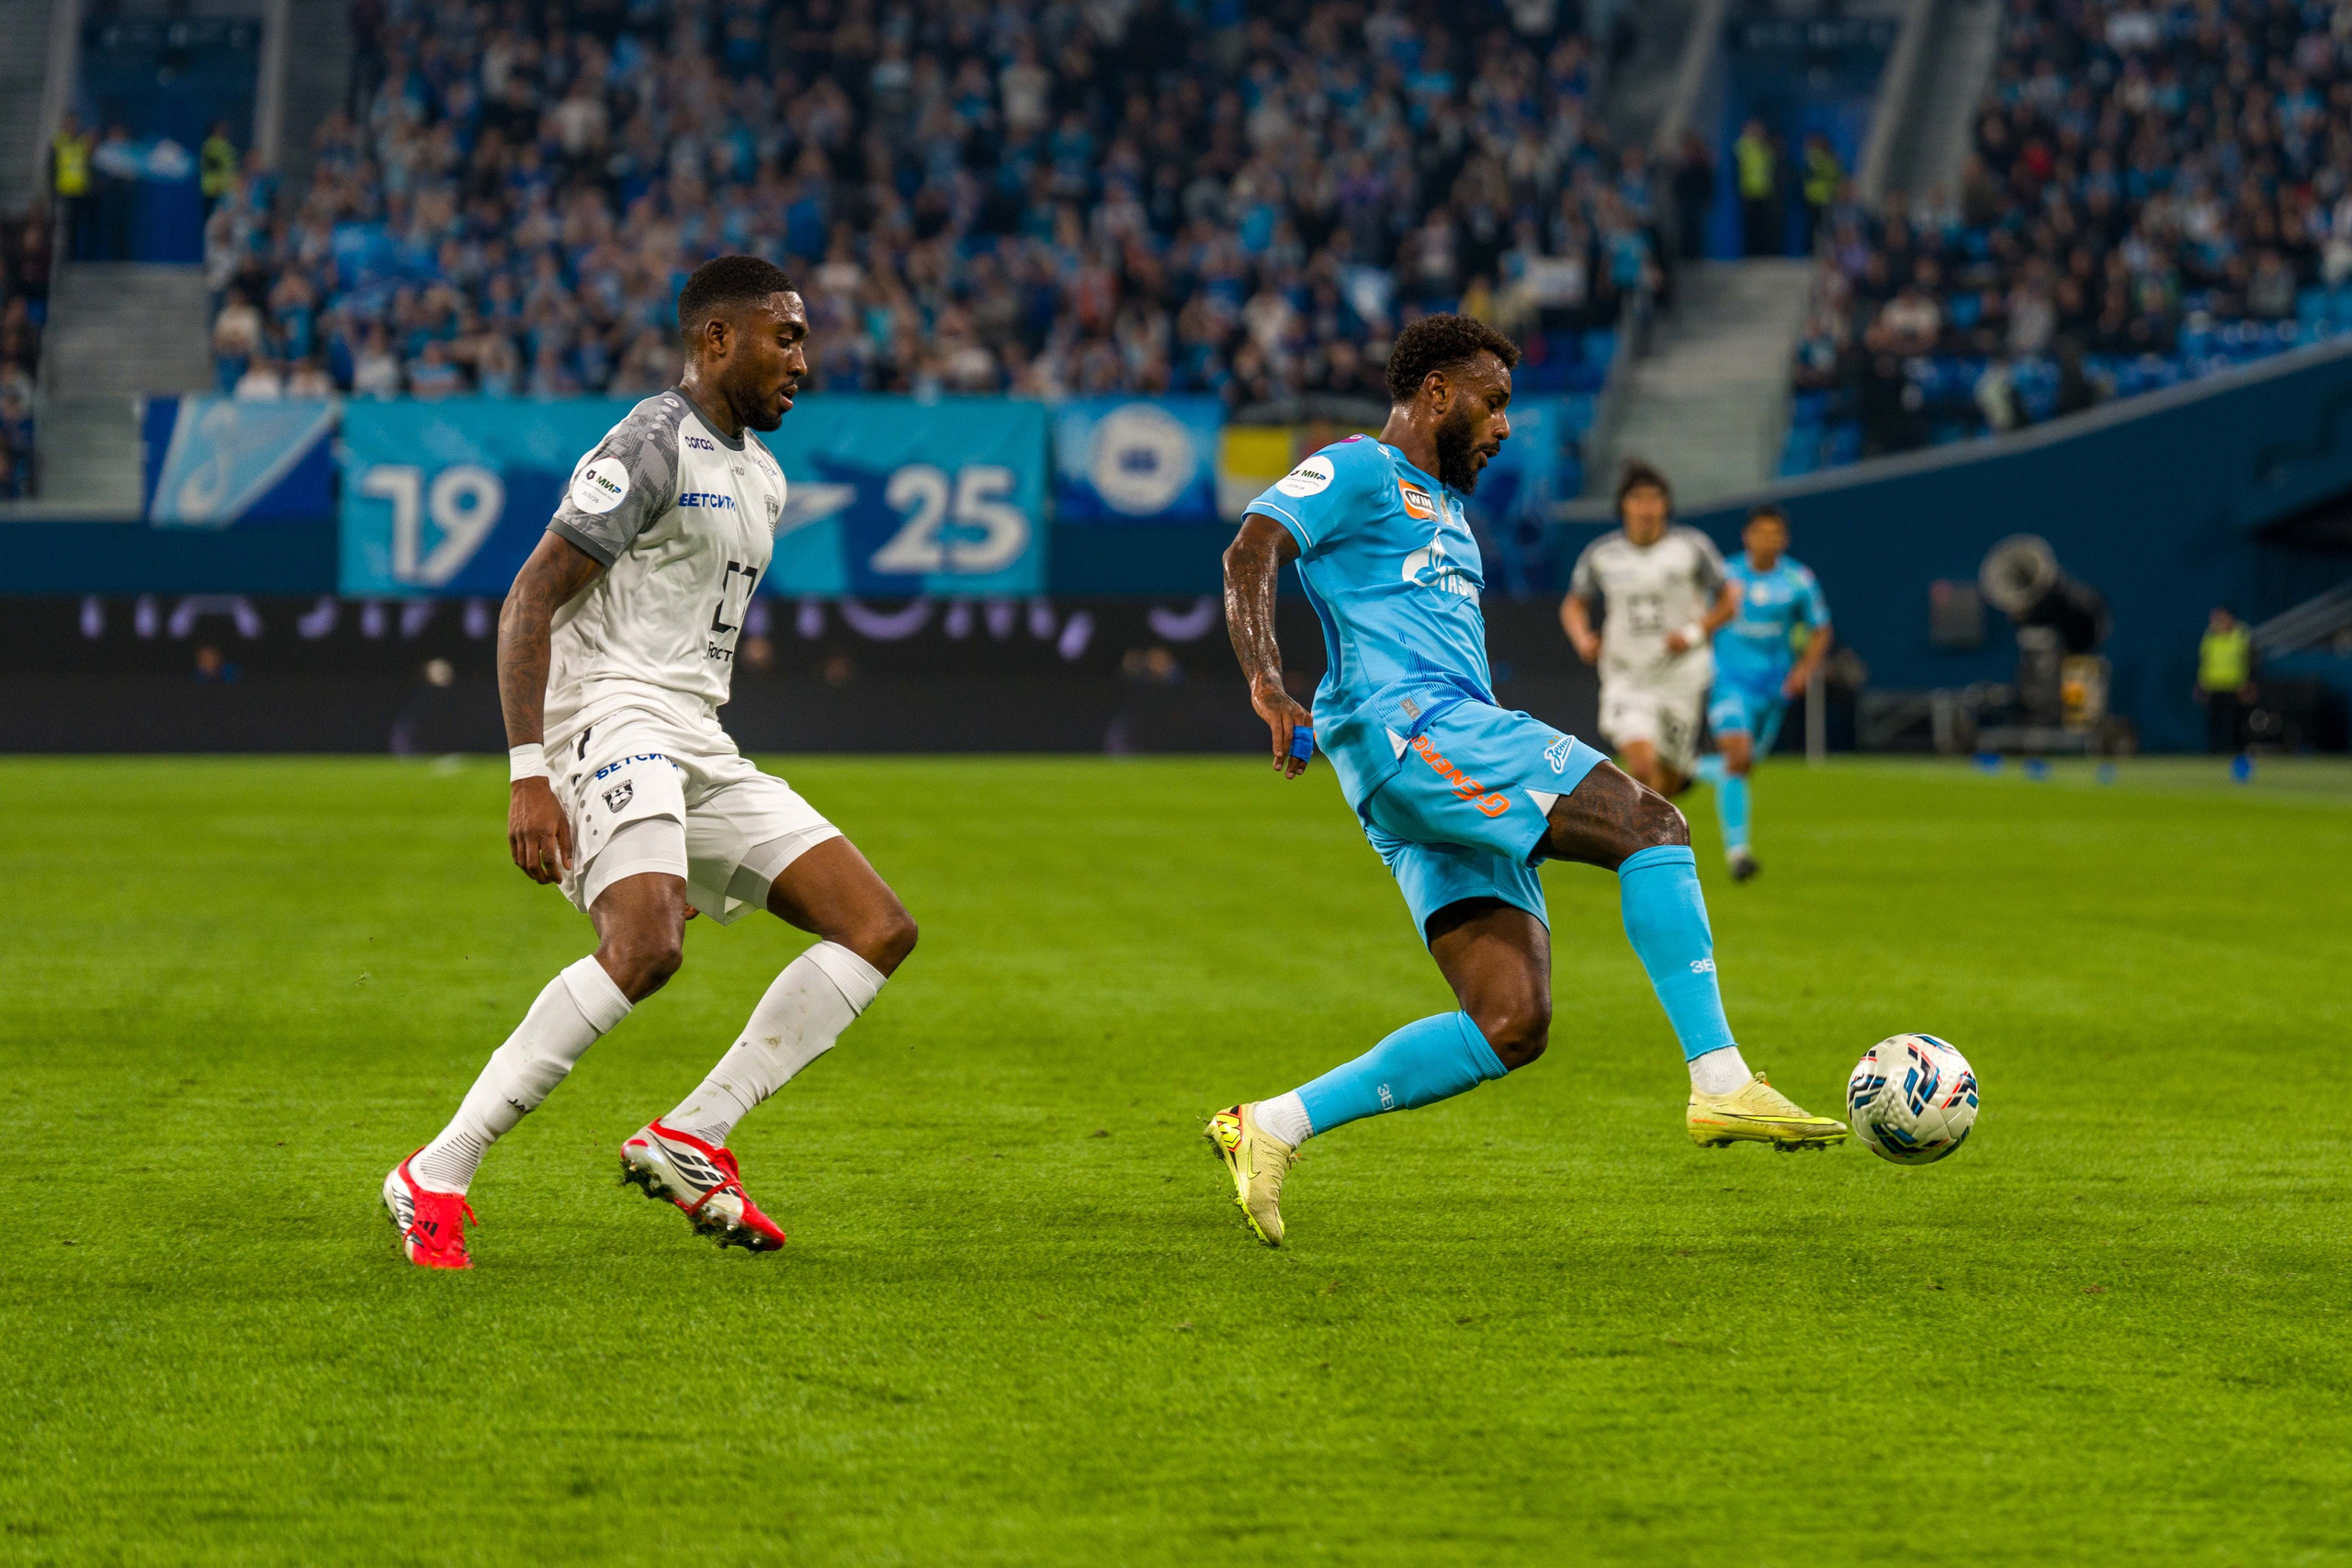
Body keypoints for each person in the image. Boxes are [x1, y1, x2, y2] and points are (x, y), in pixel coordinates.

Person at [1205, 315, 1846, 1247]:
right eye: (1492, 403)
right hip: (1412, 729)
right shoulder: (1356, 468)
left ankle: (1271, 1124)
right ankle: (1720, 1082)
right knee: (1652, 822)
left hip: (1432, 751)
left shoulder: (1447, 509)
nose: (1503, 427)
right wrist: (1268, 681)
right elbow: (1250, 550)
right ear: (1434, 393)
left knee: (1510, 1020)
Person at [381, 255, 919, 1270]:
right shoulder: (649, 443)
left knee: (876, 927)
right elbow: (529, 598)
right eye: (784, 337)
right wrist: (527, 769)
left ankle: (693, 1136)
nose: (802, 359)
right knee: (646, 942)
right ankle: (436, 1172)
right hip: (606, 719)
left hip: (696, 734)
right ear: (716, 340)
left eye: (803, 338)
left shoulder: (762, 470)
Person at [1561, 461, 1738, 797]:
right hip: (1627, 675)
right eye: (1638, 498)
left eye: (1655, 499)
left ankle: (1653, 839)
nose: (1647, 507)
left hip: (1680, 677)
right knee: (1642, 765)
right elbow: (1574, 604)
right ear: (1623, 505)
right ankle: (1638, 846)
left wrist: (1692, 634)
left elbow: (1729, 602)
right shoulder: (1602, 554)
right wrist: (1583, 638)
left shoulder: (1692, 547)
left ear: (1666, 505)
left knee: (1670, 780)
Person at [1691, 504, 1832, 881]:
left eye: (1775, 534)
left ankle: (1679, 768)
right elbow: (1700, 620)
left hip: (1774, 687)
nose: (1767, 540)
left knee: (1743, 765)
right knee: (1738, 757)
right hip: (1729, 683)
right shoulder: (1726, 575)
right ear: (1747, 536)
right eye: (1760, 532)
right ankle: (1738, 853)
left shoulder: (1798, 579)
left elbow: (1821, 629)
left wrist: (1804, 670)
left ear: (1784, 539)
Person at [2195, 607, 2256, 755]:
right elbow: (2205, 662)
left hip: (2235, 688)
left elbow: (2249, 661)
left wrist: (2248, 683)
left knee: (2235, 725)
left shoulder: (2241, 636)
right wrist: (2201, 685)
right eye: (2214, 619)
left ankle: (2236, 756)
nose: (2217, 622)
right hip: (2213, 687)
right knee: (2214, 725)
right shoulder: (2209, 637)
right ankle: (2214, 756)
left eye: (2221, 618)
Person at [1736, 118, 1779, 258]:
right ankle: (1751, 254)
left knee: (1764, 225)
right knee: (1750, 225)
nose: (1760, 133)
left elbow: (1770, 167)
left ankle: (1763, 253)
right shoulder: (1743, 146)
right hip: (1749, 192)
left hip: (1764, 192)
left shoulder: (1764, 148)